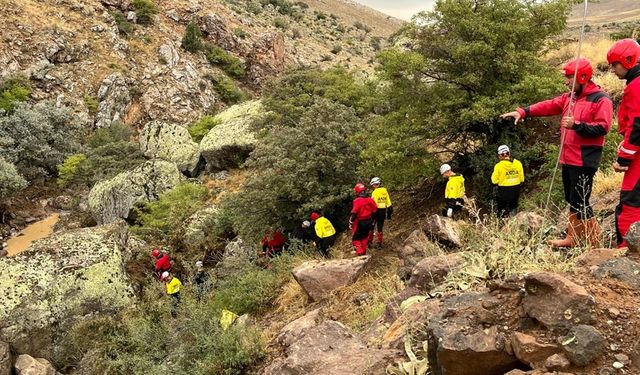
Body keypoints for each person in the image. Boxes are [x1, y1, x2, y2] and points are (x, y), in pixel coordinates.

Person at [500, 58, 613, 248]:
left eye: (570, 78)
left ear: (582, 77)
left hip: (584, 159)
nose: (566, 82)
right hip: (568, 158)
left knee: (581, 201)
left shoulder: (601, 99)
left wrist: (577, 125)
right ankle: (573, 238)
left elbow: (603, 127)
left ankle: (595, 243)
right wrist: (524, 112)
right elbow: (549, 105)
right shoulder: (570, 97)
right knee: (572, 199)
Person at [607, 39, 640, 249]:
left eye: (615, 64)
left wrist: (623, 158)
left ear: (627, 61)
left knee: (629, 205)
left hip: (638, 158)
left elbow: (637, 126)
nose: (612, 69)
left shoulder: (636, 86)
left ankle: (625, 253)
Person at [491, 145, 525, 218]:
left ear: (500, 155)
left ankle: (501, 225)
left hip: (503, 190)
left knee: (501, 209)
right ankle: (514, 223)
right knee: (513, 206)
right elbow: (522, 179)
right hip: (516, 189)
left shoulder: (498, 166)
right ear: (509, 153)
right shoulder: (518, 163)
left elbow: (494, 181)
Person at [349, 183, 378, 256]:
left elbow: (354, 212)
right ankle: (363, 252)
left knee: (356, 239)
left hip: (360, 222)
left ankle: (360, 253)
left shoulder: (357, 201)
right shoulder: (370, 200)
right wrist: (373, 221)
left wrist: (351, 221)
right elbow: (375, 210)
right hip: (369, 221)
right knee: (364, 237)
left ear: (357, 192)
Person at [369, 177, 393, 247]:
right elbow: (389, 204)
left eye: (373, 185)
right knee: (380, 227)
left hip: (375, 212)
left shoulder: (374, 192)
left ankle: (369, 242)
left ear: (375, 185)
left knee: (371, 226)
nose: (373, 187)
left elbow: (372, 203)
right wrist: (389, 214)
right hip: (383, 211)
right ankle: (379, 243)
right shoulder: (385, 191)